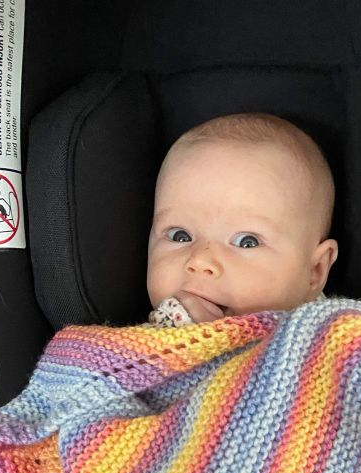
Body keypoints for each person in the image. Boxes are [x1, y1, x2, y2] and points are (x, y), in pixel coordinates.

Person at [145, 111, 339, 326]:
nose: (200, 261)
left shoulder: (340, 339)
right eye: (179, 235)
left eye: (247, 242)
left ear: (315, 270)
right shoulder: (127, 348)